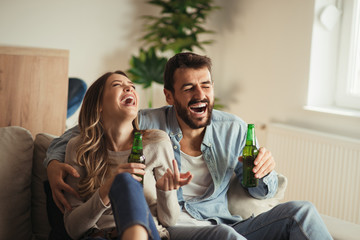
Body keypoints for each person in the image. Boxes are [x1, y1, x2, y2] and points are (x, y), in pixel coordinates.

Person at [45, 53, 332, 240]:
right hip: (177, 225)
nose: (200, 95)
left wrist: (262, 174)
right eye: (189, 88)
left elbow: (259, 189)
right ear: (169, 95)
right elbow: (86, 130)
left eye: (206, 86)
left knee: (301, 212)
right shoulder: (145, 125)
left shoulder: (234, 129)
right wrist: (53, 162)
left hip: (224, 223)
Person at [61, 70, 192, 240]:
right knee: (121, 179)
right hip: (99, 236)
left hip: (148, 235)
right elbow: (73, 228)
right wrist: (107, 188)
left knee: (124, 180)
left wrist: (165, 191)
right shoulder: (79, 148)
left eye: (132, 86)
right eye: (117, 85)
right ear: (99, 105)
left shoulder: (156, 142)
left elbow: (169, 221)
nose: (129, 89)